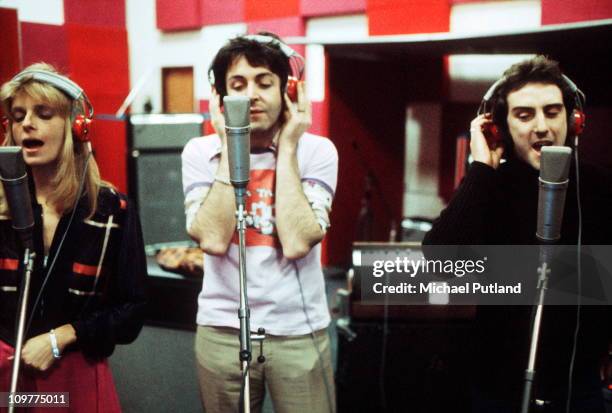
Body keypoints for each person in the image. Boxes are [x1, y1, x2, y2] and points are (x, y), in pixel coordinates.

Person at [423, 56, 612, 412]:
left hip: (578, 385)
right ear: (501, 126)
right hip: (498, 387)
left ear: (574, 121)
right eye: (524, 115)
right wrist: (480, 170)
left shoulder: (600, 187)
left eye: (552, 112)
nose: (542, 126)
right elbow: (441, 262)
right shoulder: (488, 185)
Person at [182, 33, 338, 413]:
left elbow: (299, 241)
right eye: (237, 85)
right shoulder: (200, 153)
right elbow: (214, 240)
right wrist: (228, 144)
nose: (251, 94)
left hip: (299, 331)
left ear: (289, 89)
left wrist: (287, 149)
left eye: (264, 82)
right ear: (219, 98)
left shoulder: (317, 151)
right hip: (222, 330)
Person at [0, 63, 147, 411]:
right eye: (18, 116)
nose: (27, 124)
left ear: (78, 128)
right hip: (6, 373)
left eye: (43, 113)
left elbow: (131, 311)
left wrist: (63, 336)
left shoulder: (112, 210)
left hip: (73, 376)